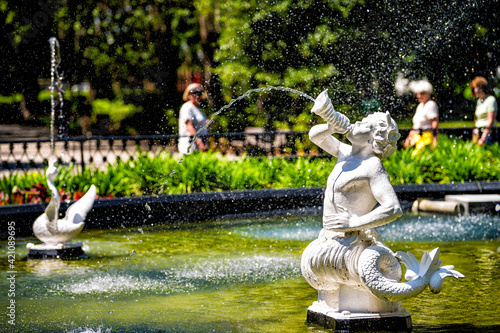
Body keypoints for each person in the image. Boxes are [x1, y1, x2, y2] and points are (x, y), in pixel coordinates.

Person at [403, 80, 439, 153]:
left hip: (426, 136)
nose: (419, 96)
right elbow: (416, 125)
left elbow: (434, 122)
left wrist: (435, 138)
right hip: (416, 137)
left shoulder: (431, 105)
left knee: (418, 155)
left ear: (428, 93)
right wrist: (408, 138)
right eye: (417, 93)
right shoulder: (420, 106)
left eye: (422, 93)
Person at [178, 83, 210, 155]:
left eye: (200, 93)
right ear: (189, 94)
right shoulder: (187, 107)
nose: (198, 95)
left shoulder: (197, 108)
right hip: (189, 145)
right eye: (195, 93)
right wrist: (199, 142)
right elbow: (189, 127)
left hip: (198, 145)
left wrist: (207, 123)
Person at [471, 76, 498, 146]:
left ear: (483, 87)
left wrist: (483, 138)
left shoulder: (491, 100)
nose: (476, 90)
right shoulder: (479, 102)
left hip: (488, 134)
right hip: (478, 132)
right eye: (474, 88)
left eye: (478, 87)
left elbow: (490, 121)